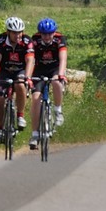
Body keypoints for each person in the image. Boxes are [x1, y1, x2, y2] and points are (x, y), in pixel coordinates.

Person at [0, 16, 33, 144]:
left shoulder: (27, 41)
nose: (18, 35)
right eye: (14, 32)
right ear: (8, 32)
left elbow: (30, 60)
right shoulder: (0, 40)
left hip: (20, 70)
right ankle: (0, 128)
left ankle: (20, 116)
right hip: (4, 71)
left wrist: (28, 77)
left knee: (20, 85)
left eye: (20, 32)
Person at [27, 17, 68, 148]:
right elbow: (31, 59)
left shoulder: (59, 39)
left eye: (49, 33)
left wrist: (61, 75)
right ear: (40, 33)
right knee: (35, 99)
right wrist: (28, 77)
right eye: (44, 34)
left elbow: (63, 59)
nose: (46, 36)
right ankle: (34, 134)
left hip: (55, 69)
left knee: (56, 82)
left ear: (54, 33)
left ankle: (58, 110)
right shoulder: (35, 40)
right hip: (39, 70)